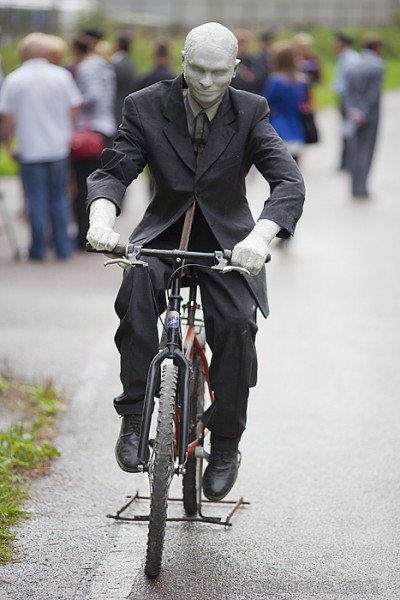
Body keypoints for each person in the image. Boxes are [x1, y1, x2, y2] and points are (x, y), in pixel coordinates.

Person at [86, 22, 305, 502]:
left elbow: (287, 182)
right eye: (198, 70)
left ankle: (226, 443)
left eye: (219, 72)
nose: (207, 83)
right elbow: (114, 169)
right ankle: (135, 414)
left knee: (234, 328)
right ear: (183, 60)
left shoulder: (250, 111)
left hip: (230, 242)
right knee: (137, 293)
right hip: (162, 232)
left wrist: (260, 236)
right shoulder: (144, 105)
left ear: (235, 68)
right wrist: (102, 219)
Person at [0, 32, 82, 260]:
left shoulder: (15, 78)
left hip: (29, 148)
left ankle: (38, 249)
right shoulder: (60, 76)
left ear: (24, 52)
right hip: (57, 147)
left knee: (35, 198)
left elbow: (7, 118)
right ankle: (62, 247)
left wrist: (9, 144)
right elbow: (75, 106)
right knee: (59, 197)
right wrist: (67, 128)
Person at [70, 35, 116, 250]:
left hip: (90, 130)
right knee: (96, 183)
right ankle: (90, 235)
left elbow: (93, 95)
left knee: (83, 186)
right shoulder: (105, 66)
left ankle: (83, 238)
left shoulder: (87, 67)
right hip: (105, 127)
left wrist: (73, 102)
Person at [343, 33, 385, 199]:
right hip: (370, 115)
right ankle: (362, 188)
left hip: (353, 113)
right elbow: (373, 93)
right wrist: (363, 111)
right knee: (367, 151)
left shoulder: (353, 63)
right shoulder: (378, 65)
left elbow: (347, 91)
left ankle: (354, 187)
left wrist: (352, 110)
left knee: (355, 150)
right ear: (377, 48)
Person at [261, 41, 309, 164]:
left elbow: (265, 101)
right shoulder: (302, 80)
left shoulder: (276, 80)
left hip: (278, 125)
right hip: (296, 126)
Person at [332, 32, 359, 171]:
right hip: (343, 98)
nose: (334, 45)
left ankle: (348, 162)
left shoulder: (351, 59)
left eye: (336, 42)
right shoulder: (343, 57)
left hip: (348, 99)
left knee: (349, 130)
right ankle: (344, 162)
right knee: (344, 129)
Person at [111, 34, 137, 126]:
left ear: (118, 45)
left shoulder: (114, 64)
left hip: (115, 105)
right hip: (126, 104)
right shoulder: (131, 64)